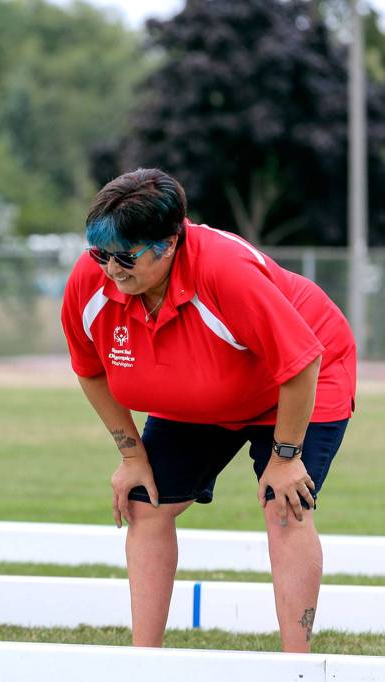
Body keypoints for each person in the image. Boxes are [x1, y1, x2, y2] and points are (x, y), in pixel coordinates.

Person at [60, 168, 356, 653]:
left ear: (171, 242)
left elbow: (302, 362)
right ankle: (144, 662)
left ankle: (296, 666)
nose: (111, 269)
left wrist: (285, 457)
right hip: (202, 390)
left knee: (285, 506)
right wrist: (132, 455)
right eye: (101, 253)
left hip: (301, 379)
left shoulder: (225, 271)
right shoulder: (90, 283)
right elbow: (90, 369)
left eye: (126, 256)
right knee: (144, 503)